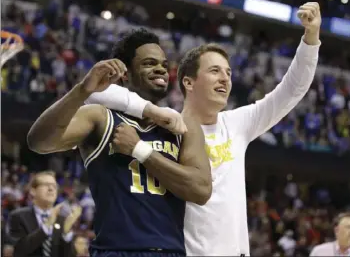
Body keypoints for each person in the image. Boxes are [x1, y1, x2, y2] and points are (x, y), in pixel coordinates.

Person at [85, 2, 322, 256]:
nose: (225, 78)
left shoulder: (238, 123)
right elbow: (95, 94)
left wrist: (311, 37)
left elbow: (291, 91)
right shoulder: (165, 127)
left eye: (228, 73)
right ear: (188, 82)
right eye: (215, 71)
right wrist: (152, 111)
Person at [27, 29, 212, 257]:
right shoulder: (101, 117)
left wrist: (139, 150)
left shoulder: (183, 126)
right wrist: (83, 89)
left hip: (170, 250)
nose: (161, 69)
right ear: (126, 74)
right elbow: (38, 141)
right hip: (115, 250)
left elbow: (201, 190)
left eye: (164, 64)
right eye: (149, 63)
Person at [7, 171, 81, 257]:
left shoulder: (62, 220)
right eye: (46, 184)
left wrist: (66, 232)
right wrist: (47, 224)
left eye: (54, 186)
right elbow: (19, 250)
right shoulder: (18, 216)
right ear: (33, 191)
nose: (51, 189)